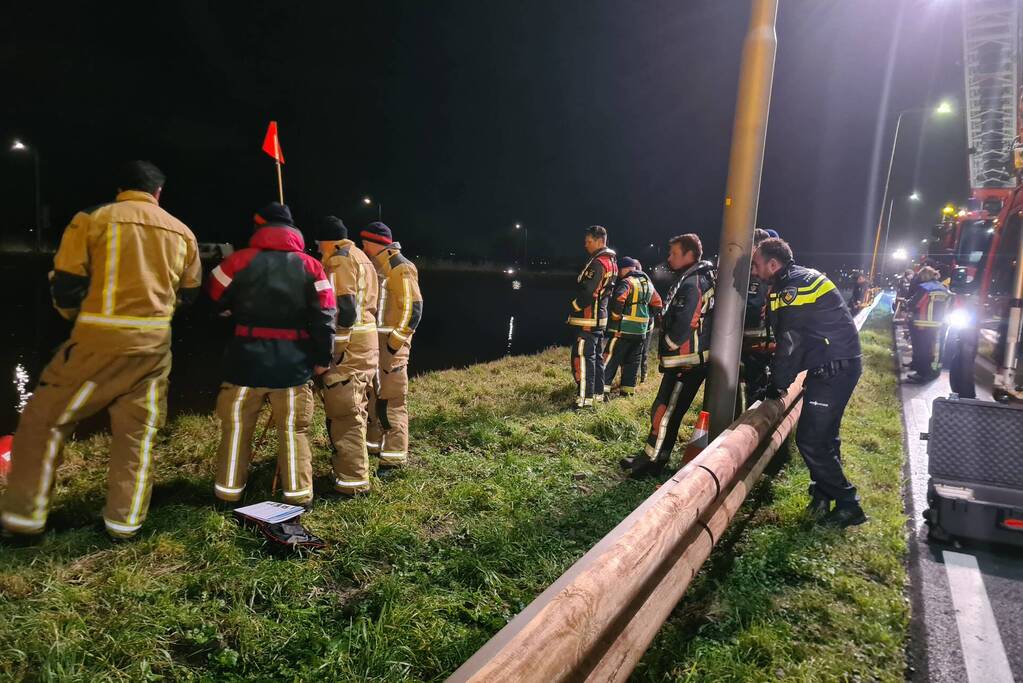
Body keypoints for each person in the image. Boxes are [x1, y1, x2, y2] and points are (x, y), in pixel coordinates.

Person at [1, 161, 201, 542]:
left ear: (121, 189)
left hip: (97, 343)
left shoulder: (93, 219)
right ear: (158, 193)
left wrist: (81, 318)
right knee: (138, 435)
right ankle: (124, 525)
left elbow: (66, 284)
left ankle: (24, 521)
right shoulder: (182, 232)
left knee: (44, 422)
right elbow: (188, 293)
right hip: (154, 347)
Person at [208, 203, 336, 508]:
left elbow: (212, 295)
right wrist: (322, 357)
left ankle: (228, 493)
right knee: (293, 430)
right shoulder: (312, 266)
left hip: (243, 363)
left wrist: (227, 311)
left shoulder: (236, 262)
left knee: (237, 429)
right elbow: (326, 313)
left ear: (259, 227)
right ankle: (298, 497)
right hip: (292, 366)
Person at [751, 237, 866, 527]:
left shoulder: (793, 287)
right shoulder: (795, 279)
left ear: (773, 263)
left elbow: (791, 343)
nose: (754, 271)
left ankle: (848, 503)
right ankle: (823, 495)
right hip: (834, 364)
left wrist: (777, 386)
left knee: (810, 440)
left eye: (756, 264)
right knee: (826, 437)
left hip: (833, 368)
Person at [623, 234, 714, 477]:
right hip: (687, 360)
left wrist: (668, 345)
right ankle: (651, 455)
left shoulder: (692, 283)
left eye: (674, 253)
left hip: (686, 361)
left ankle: (653, 464)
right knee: (664, 410)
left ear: (689, 254)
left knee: (665, 412)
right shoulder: (695, 278)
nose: (669, 257)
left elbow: (685, 324)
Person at [315, 216, 379, 495]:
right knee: (357, 407)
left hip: (350, 346)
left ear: (328, 240)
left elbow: (345, 308)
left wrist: (335, 351)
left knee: (344, 413)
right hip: (368, 343)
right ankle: (354, 469)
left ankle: (352, 483)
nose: (318, 249)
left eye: (319, 244)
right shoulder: (362, 256)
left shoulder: (338, 260)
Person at [360, 222, 423, 468]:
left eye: (365, 242)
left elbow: (413, 309)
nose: (362, 246)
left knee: (392, 399)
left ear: (375, 242)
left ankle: (394, 457)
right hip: (375, 340)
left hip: (389, 343)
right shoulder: (377, 265)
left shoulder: (401, 267)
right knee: (375, 395)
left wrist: (395, 342)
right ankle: (375, 445)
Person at [567, 225, 618, 407]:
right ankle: (597, 395)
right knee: (595, 359)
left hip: (587, 320)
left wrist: (574, 306)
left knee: (583, 359)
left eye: (588, 242)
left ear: (599, 241)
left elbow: (588, 291)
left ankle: (584, 401)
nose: (586, 245)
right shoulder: (612, 262)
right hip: (599, 320)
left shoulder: (597, 263)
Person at [604, 257, 662, 396]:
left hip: (622, 330)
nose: (618, 273)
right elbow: (658, 304)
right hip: (640, 332)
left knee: (610, 359)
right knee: (632, 362)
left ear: (626, 269)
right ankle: (627, 392)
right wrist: (645, 318)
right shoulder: (648, 284)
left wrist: (616, 317)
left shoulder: (627, 282)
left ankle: (600, 391)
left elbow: (618, 299)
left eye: (620, 270)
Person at [741, 228, 774, 407]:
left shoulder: (759, 275)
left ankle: (747, 425)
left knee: (752, 387)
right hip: (757, 342)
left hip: (755, 342)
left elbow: (752, 307)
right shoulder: (757, 271)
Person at [906, 266, 951, 383]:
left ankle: (922, 374)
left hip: (922, 323)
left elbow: (914, 303)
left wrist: (907, 303)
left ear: (924, 276)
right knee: (934, 350)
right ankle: (932, 372)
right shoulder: (944, 289)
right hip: (939, 325)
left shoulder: (925, 288)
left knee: (922, 349)